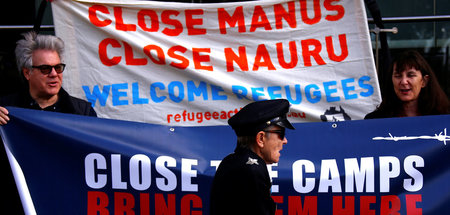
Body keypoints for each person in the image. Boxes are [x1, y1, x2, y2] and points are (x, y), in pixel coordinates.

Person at [0, 31, 96, 214]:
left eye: (58, 68)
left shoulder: (82, 112)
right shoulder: (5, 109)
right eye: (45, 69)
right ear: (27, 73)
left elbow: (94, 161)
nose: (54, 74)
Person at [210, 99, 295, 215]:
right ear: (261, 138)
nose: (285, 141)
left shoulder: (229, 161)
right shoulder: (253, 169)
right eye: (281, 134)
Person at [365, 50, 449, 119]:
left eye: (410, 75)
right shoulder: (375, 120)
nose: (404, 81)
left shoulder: (444, 117)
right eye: (398, 76)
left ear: (424, 81)